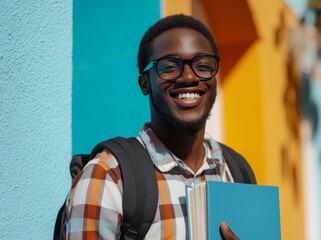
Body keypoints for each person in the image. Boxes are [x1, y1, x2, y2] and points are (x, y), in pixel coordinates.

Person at [63, 14, 256, 239]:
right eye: (169, 67)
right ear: (145, 84)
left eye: (203, 65)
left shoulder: (237, 172)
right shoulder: (108, 176)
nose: (189, 77)